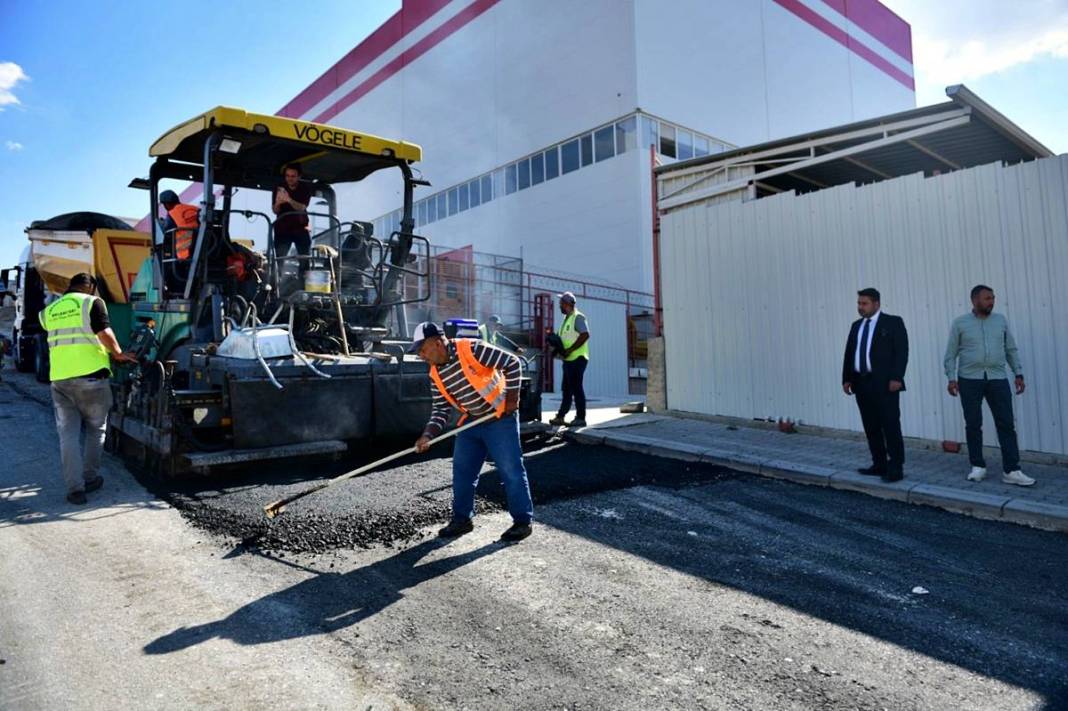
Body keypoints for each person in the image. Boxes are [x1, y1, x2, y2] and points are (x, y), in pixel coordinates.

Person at [410, 321, 534, 542]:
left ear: (437, 343)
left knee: (510, 470)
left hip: (499, 418)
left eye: (422, 350)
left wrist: (512, 400)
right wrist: (428, 435)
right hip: (471, 423)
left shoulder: (472, 349)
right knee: (463, 472)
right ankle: (462, 520)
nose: (421, 356)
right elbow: (440, 410)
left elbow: (512, 363)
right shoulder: (435, 375)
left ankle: (522, 522)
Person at [39, 273, 137, 505]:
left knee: (68, 435)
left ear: (69, 286)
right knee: (96, 429)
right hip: (92, 381)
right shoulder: (93, 302)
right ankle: (90, 478)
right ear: (90, 287)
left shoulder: (49, 311)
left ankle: (75, 490)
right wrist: (119, 354)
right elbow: (104, 332)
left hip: (60, 381)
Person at [944, 285, 1034, 486]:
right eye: (987, 298)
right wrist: (951, 378)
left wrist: (1018, 373)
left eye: (993, 298)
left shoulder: (1000, 321)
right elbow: (950, 354)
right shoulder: (960, 323)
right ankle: (978, 466)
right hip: (969, 379)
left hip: (997, 378)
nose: (991, 302)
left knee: (1006, 424)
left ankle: (1012, 470)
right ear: (975, 300)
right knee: (974, 423)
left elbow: (1010, 348)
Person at [841, 288, 909, 482]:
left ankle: (896, 467)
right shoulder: (856, 326)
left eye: (864, 303)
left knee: (890, 425)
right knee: (871, 426)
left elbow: (902, 352)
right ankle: (879, 464)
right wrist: (846, 378)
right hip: (861, 383)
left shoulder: (892, 322)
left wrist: (897, 377)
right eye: (859, 303)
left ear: (876, 304)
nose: (860, 307)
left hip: (885, 384)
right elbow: (849, 353)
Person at [548, 291, 589, 428]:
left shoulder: (578, 317)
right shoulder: (566, 320)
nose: (559, 306)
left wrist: (570, 350)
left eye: (561, 304)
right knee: (566, 389)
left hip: (578, 358)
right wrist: (555, 349)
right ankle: (560, 416)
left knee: (576, 388)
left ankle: (581, 418)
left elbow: (585, 335)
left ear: (566, 304)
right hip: (568, 360)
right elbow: (563, 341)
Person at [272, 163, 313, 260]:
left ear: (299, 176)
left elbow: (302, 207)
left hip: (301, 227)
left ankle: (304, 274)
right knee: (279, 259)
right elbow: (275, 210)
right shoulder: (279, 188)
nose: (289, 178)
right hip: (283, 228)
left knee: (305, 258)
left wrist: (288, 199)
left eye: (293, 176)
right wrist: (278, 202)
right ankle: (278, 275)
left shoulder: (305, 188)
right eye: (287, 176)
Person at [159, 189, 199, 262]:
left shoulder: (172, 213)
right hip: (203, 247)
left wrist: (161, 224)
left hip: (186, 253)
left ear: (167, 204)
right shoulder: (194, 208)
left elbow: (166, 231)